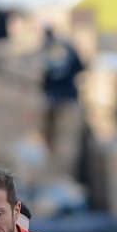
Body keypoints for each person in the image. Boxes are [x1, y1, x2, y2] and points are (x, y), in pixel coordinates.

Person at [40, 25, 85, 179]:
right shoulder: (67, 47)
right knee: (66, 144)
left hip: (53, 101)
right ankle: (65, 177)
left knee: (54, 143)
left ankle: (58, 176)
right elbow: (81, 67)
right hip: (67, 100)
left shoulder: (42, 50)